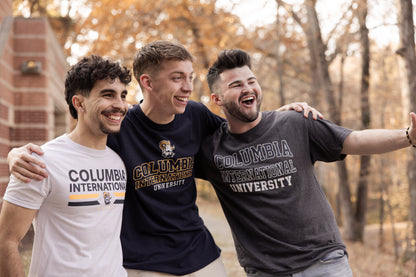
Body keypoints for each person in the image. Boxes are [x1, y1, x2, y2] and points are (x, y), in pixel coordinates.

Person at [5, 41, 321, 277]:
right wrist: (17, 154)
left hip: (198, 253)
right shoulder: (118, 128)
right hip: (142, 261)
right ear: (148, 83)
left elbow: (240, 135)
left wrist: (276, 119)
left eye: (190, 77)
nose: (187, 87)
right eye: (177, 78)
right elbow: (74, 148)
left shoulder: (195, 115)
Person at [195, 49, 416, 277]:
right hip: (266, 271)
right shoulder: (212, 149)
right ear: (217, 99)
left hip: (325, 263)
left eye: (252, 81)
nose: (248, 88)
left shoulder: (294, 122)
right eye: (236, 85)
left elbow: (355, 139)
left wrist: (408, 136)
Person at [0, 55, 131, 276]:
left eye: (123, 95)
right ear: (79, 103)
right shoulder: (39, 162)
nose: (119, 104)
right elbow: (6, 240)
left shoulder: (118, 161)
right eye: (108, 95)